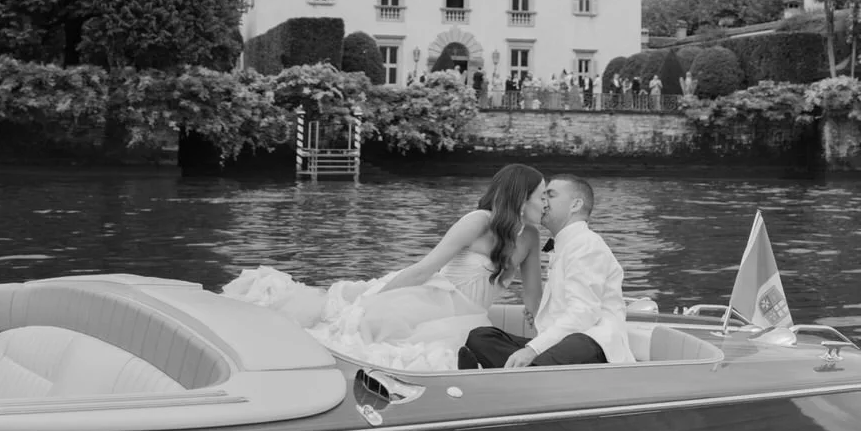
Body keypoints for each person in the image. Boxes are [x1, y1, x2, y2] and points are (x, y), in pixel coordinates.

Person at [222, 164, 547, 367]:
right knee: (364, 328)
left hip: (470, 314)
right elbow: (425, 269)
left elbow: (533, 296)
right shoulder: (478, 221)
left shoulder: (530, 237)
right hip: (434, 299)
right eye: (542, 196)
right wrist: (374, 298)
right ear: (521, 199)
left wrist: (549, 336)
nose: (546, 203)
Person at [460, 174, 634, 369]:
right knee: (480, 337)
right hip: (560, 345)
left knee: (572, 344)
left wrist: (532, 349)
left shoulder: (587, 244)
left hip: (592, 342)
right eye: (542, 196)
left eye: (550, 195)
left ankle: (523, 372)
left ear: (575, 205)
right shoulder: (563, 245)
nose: (543, 201)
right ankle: (526, 372)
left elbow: (584, 313)